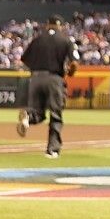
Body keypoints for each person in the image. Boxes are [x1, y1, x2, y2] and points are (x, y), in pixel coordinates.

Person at [18, 15, 78, 157]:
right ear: (61, 26)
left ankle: (28, 117)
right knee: (55, 115)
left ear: (47, 25)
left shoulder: (37, 39)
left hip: (36, 78)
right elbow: (74, 63)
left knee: (38, 113)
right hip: (54, 79)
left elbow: (24, 59)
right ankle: (52, 150)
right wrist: (70, 73)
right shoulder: (65, 40)